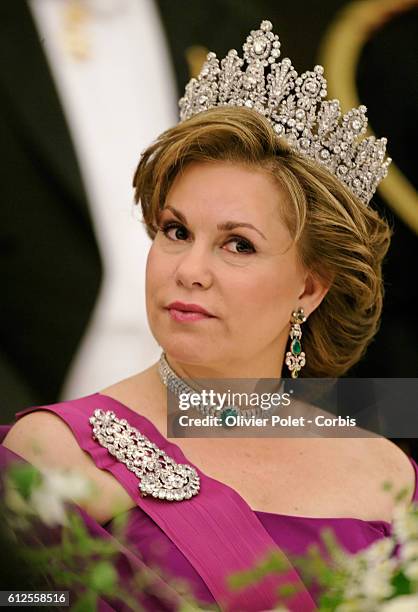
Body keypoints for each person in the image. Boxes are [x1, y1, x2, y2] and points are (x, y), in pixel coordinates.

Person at [1, 21, 416, 612]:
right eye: (176, 232)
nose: (189, 269)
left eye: (238, 244)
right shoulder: (56, 452)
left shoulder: (387, 473)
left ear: (310, 287)